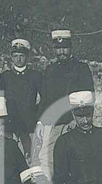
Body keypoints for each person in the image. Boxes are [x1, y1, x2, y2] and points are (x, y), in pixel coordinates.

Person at [36, 29, 94, 175]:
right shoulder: (50, 70)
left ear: (71, 47)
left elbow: (89, 97)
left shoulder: (81, 68)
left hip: (72, 122)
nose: (62, 52)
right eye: (58, 48)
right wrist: (41, 122)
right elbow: (45, 98)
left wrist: (79, 121)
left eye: (65, 48)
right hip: (52, 123)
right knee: (46, 159)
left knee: (75, 160)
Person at [0, 38, 42, 161]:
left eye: (21, 56)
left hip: (29, 124)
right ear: (11, 57)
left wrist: (36, 114)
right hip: (9, 124)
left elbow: (45, 98)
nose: (18, 59)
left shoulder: (35, 76)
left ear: (27, 57)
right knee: (8, 156)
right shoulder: (5, 77)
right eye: (15, 56)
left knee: (30, 157)